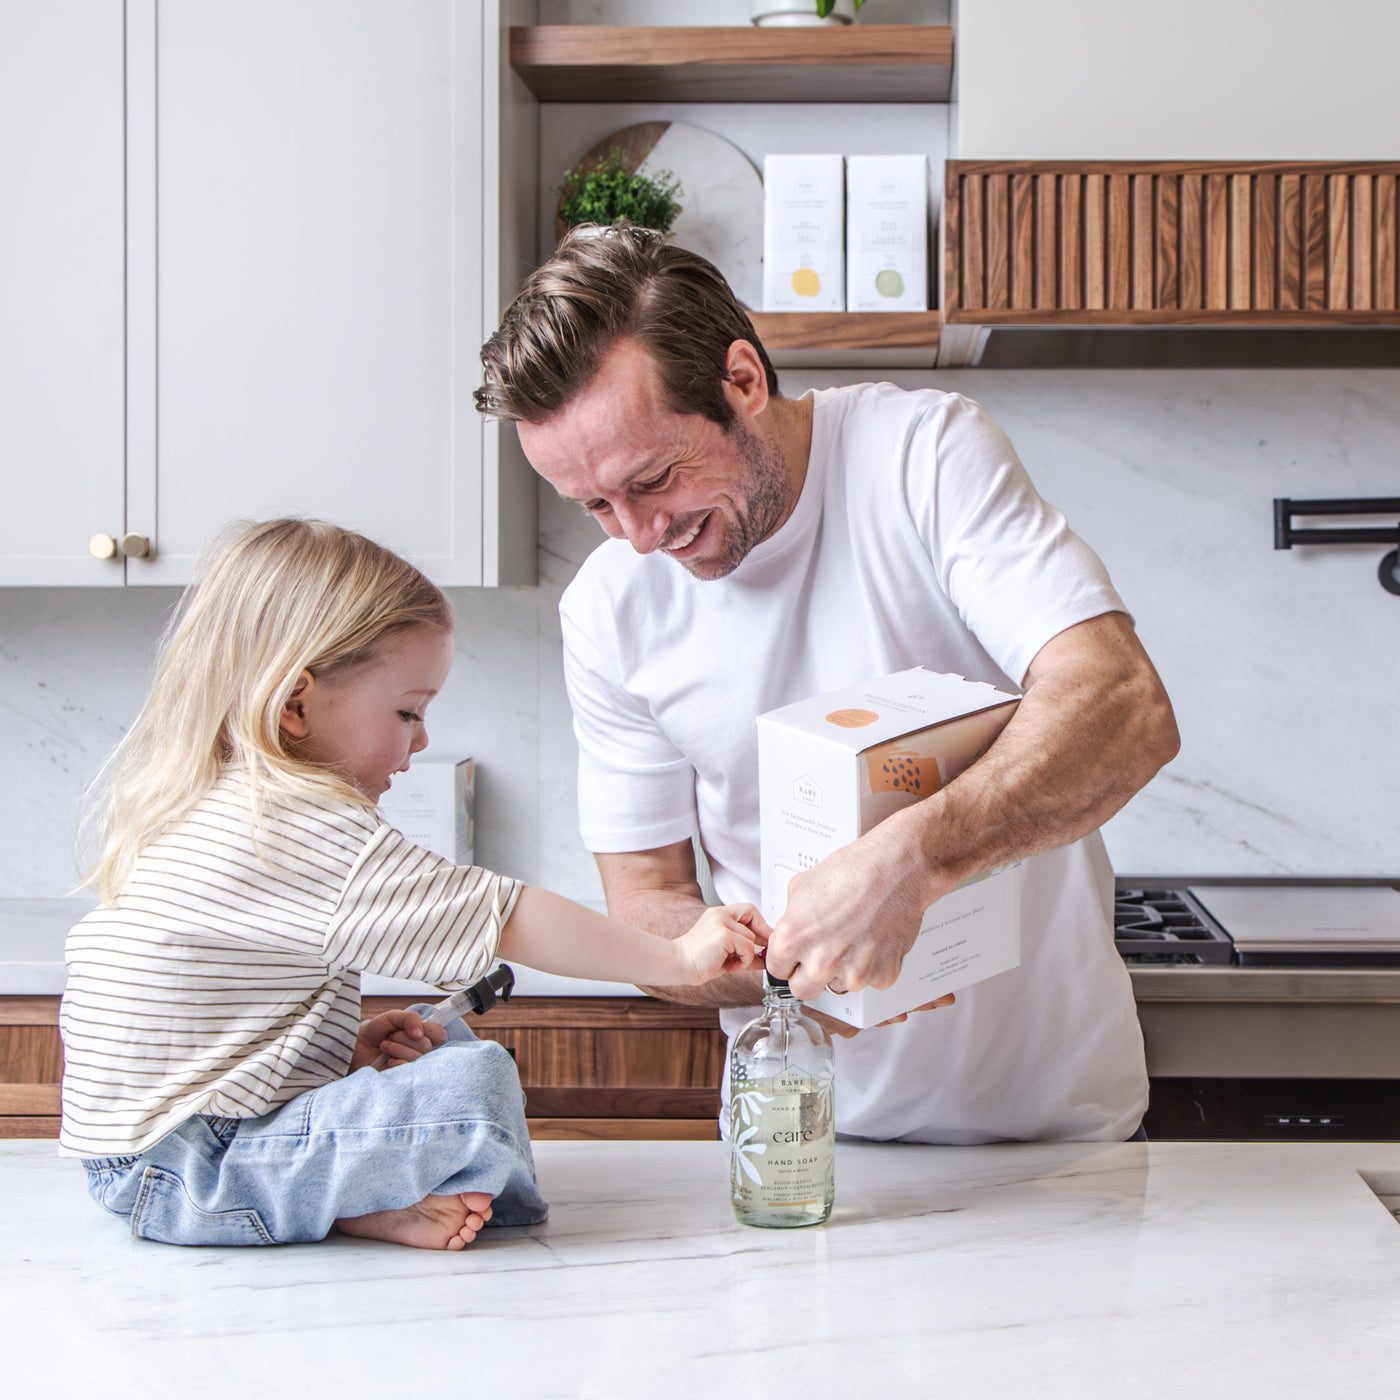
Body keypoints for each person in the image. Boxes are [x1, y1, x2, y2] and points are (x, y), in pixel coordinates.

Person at [475, 224, 1181, 1145]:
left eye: (652, 478)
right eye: (595, 505)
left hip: (1059, 1119)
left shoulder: (920, 455)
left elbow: (1124, 708)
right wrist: (780, 965)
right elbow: (646, 901)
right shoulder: (609, 610)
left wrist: (911, 863)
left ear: (742, 379)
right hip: (802, 1142)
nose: (639, 537)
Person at [60, 517, 765, 1250]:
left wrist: (341, 1051)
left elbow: (214, 1030)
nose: (421, 740)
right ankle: (358, 1202)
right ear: (298, 704)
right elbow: (506, 919)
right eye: (407, 712)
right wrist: (680, 956)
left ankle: (358, 1201)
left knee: (444, 1042)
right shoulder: (291, 823)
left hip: (158, 1150)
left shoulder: (219, 802)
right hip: (190, 1166)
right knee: (471, 1086)